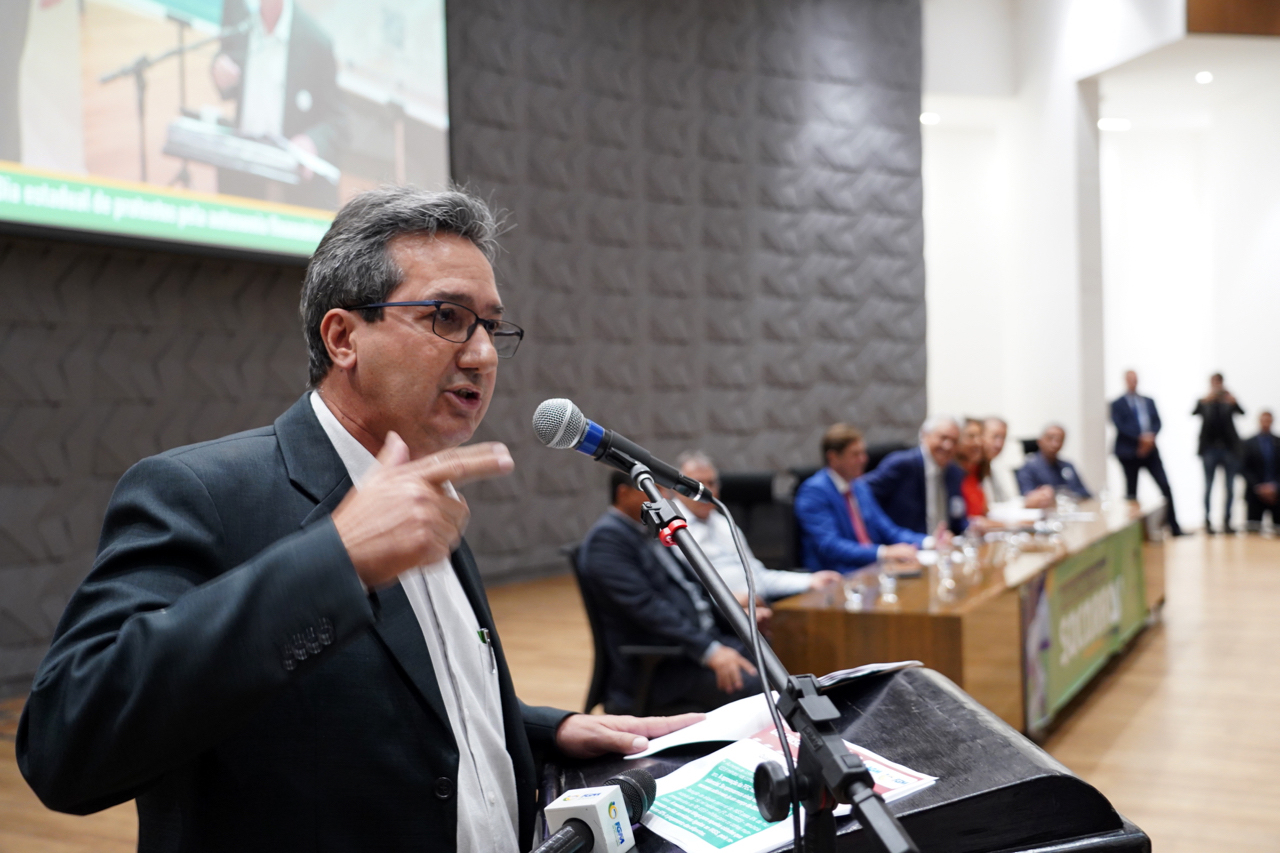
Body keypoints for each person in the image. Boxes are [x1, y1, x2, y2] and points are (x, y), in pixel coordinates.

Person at [17, 188, 696, 852]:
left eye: (491, 326)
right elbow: (65, 742)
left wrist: (547, 730)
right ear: (343, 337)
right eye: (448, 316)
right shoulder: (200, 492)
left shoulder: (429, 489)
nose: (482, 354)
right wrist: (336, 559)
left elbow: (400, 697)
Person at [580, 471, 763, 714]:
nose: (663, 497)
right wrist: (710, 651)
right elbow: (648, 609)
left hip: (697, 641)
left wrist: (736, 617)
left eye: (662, 489)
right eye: (653, 490)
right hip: (666, 663)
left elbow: (692, 587)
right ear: (623, 493)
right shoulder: (607, 539)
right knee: (755, 685)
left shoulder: (643, 529)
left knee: (775, 655)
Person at [212, 0, 348, 208]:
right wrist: (218, 69)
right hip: (242, 175)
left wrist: (311, 142)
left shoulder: (315, 41)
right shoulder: (238, 15)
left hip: (291, 188)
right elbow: (226, 61)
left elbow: (337, 120)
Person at [672, 452, 842, 601]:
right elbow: (685, 593)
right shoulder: (671, 528)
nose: (706, 491)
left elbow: (758, 577)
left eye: (711, 483)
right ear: (678, 489)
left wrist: (809, 580)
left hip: (757, 605)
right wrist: (732, 602)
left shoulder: (724, 523)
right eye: (697, 484)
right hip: (720, 615)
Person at [794, 424, 936, 574]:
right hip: (837, 576)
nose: (864, 459)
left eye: (863, 453)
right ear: (833, 457)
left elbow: (887, 530)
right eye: (855, 454)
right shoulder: (813, 491)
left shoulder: (859, 487)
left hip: (873, 571)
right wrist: (884, 552)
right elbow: (831, 545)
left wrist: (929, 542)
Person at [862, 416, 969, 537]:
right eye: (943, 438)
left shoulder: (954, 473)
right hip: (907, 543)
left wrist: (970, 527)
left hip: (943, 545)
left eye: (954, 441)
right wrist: (883, 531)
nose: (948, 446)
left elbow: (957, 518)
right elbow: (861, 493)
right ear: (925, 435)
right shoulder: (902, 465)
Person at [1110, 370, 1183, 535]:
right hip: (1129, 453)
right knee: (1131, 493)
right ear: (1125, 381)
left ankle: (1174, 527)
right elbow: (1120, 425)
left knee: (1165, 486)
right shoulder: (1117, 403)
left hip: (1151, 451)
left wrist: (1149, 438)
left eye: (1135, 379)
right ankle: (1132, 533)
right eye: (1130, 379)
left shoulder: (1148, 401)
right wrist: (1140, 439)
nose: (1133, 382)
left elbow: (1157, 422)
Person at [1194, 373, 1245, 534]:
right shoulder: (1205, 401)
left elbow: (1242, 412)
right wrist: (1207, 399)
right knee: (1209, 486)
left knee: (1229, 486)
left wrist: (1233, 400)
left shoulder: (1228, 400)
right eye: (1214, 382)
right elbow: (1194, 412)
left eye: (1219, 382)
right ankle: (1207, 521)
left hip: (1228, 449)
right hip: (1210, 449)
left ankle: (1227, 521)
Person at [1017, 424, 1092, 500]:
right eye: (1050, 438)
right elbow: (1027, 496)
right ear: (1040, 441)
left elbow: (1084, 493)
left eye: (1060, 440)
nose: (1055, 444)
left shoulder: (1067, 466)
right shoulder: (1029, 468)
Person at [1242, 410, 1278, 533]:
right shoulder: (1248, 443)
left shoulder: (1278, 442)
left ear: (1272, 422)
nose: (1265, 423)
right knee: (1253, 531)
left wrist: (1274, 486)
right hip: (1254, 494)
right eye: (1263, 420)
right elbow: (1244, 468)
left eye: (1268, 421)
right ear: (1259, 421)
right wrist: (1259, 487)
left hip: (1276, 494)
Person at [956, 418, 988, 518]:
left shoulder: (976, 471)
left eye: (980, 436)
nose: (978, 442)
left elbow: (983, 512)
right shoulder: (951, 475)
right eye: (971, 436)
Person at [980, 416, 1011, 504]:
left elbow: (1007, 501)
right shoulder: (970, 469)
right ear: (980, 436)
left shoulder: (998, 467)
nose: (999, 444)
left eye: (1003, 438)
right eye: (995, 436)